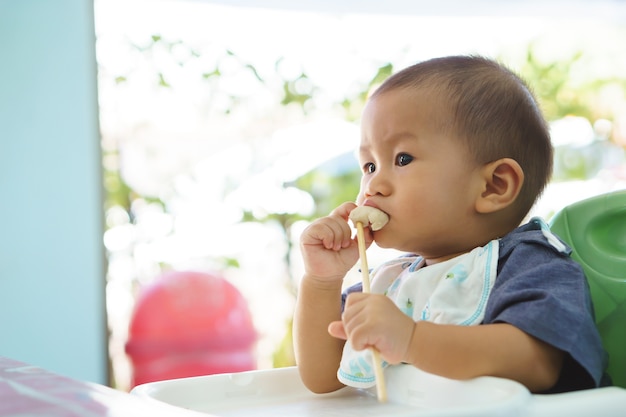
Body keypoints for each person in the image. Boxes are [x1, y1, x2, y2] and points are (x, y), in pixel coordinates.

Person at [292, 55, 608, 395]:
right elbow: (322, 378)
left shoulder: (530, 266)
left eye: (402, 159)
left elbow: (537, 363)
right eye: (369, 166)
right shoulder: (392, 283)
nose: (372, 186)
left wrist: (412, 339)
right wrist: (321, 281)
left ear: (493, 186)